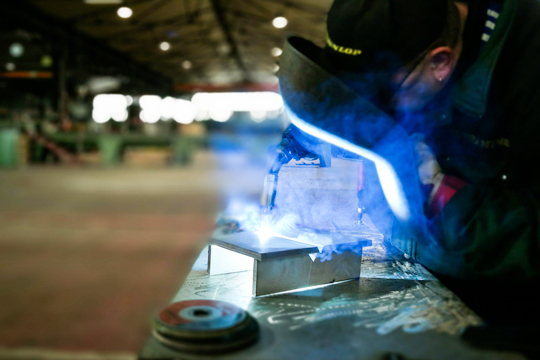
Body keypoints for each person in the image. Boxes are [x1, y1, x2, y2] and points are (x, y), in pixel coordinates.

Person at [278, 0, 540, 325]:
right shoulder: (415, 60)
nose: (377, 112)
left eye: (382, 97)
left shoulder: (528, 62)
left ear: (440, 63)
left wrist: (442, 199)